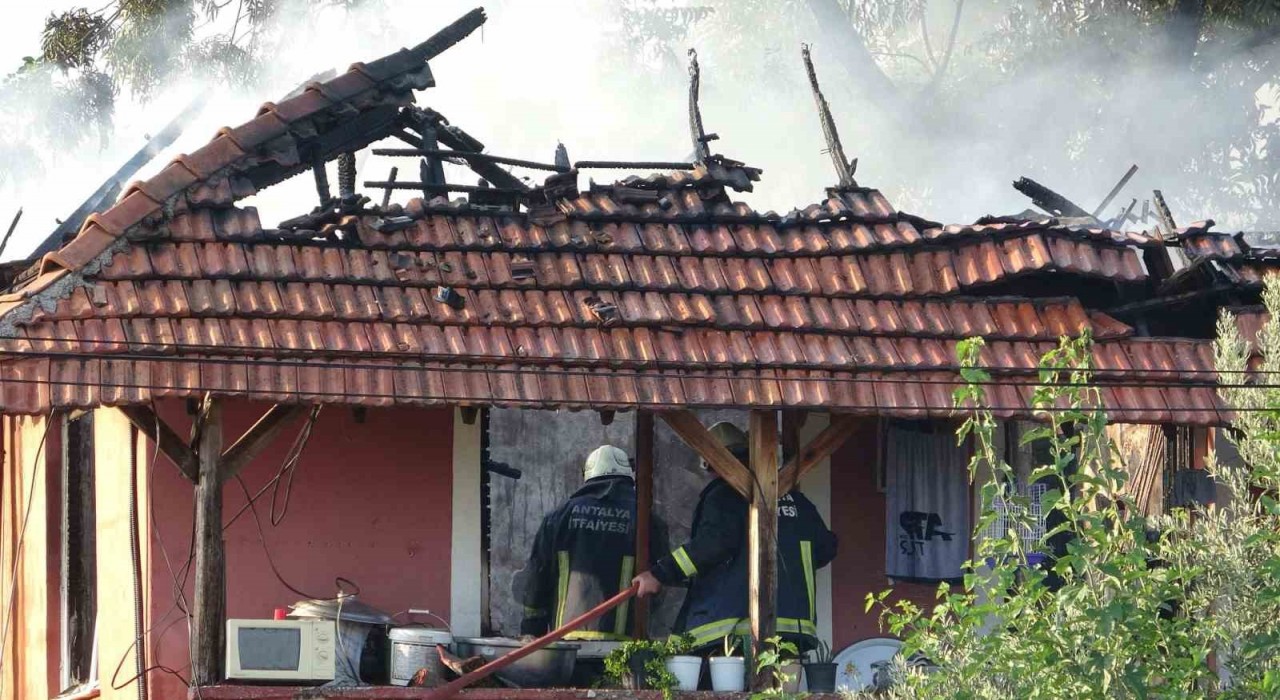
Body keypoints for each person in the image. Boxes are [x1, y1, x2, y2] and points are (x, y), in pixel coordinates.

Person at [632, 422, 838, 652]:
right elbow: (826, 548)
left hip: (734, 627)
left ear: (710, 462)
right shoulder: (797, 500)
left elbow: (712, 545)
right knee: (781, 686)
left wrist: (659, 574)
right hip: (796, 628)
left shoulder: (724, 496)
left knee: (710, 680)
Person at [520, 445, 644, 640]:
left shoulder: (559, 517)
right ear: (629, 475)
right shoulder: (645, 517)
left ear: (587, 475)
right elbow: (658, 580)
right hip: (626, 644)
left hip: (567, 641)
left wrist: (531, 630)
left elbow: (538, 576)